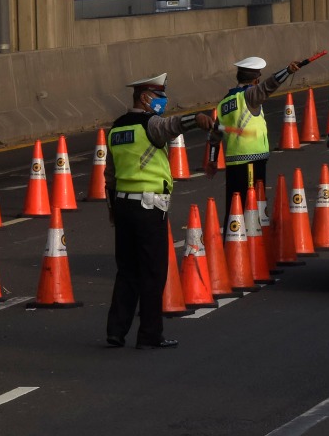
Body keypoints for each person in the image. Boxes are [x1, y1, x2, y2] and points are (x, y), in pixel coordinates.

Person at [105, 74, 216, 350]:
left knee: (127, 270)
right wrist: (197, 120)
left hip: (122, 206)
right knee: (153, 272)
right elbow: (172, 125)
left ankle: (116, 331)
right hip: (148, 207)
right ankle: (150, 335)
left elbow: (110, 175)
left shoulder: (116, 129)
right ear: (145, 98)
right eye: (159, 96)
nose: (163, 101)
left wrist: (112, 210)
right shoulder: (149, 125)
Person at [215, 56, 304, 220]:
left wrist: (213, 160)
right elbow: (269, 86)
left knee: (235, 205)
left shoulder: (224, 102)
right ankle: (254, 240)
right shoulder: (249, 96)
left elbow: (215, 132)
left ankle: (232, 239)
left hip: (234, 160)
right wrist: (288, 71)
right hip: (252, 159)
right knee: (254, 204)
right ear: (256, 80)